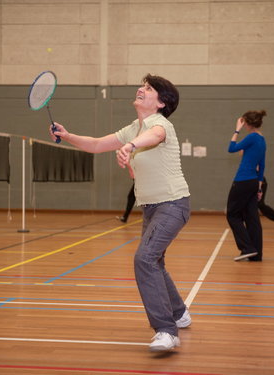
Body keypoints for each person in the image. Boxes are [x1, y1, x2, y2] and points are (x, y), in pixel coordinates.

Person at [50, 74, 191, 352]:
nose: (141, 89)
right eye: (143, 86)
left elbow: (155, 136)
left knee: (144, 259)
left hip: (173, 204)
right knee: (155, 261)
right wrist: (67, 136)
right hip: (151, 207)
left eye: (149, 89)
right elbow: (96, 144)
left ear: (161, 103)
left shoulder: (160, 124)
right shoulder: (133, 128)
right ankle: (179, 312)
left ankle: (166, 330)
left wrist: (130, 146)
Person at [226, 110, 267, 262]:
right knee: (252, 217)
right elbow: (262, 166)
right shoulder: (262, 140)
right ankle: (256, 254)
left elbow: (231, 148)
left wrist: (237, 129)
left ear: (247, 124)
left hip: (242, 181)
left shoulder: (252, 137)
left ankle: (247, 248)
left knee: (232, 214)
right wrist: (259, 187)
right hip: (253, 182)